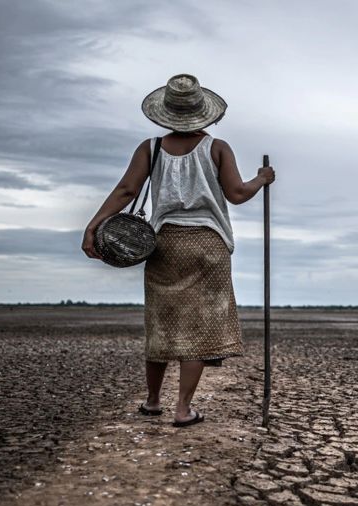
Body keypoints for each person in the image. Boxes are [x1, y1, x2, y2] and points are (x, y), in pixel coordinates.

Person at [81, 73, 275, 427]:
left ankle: (153, 401)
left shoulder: (150, 148)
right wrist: (261, 180)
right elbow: (237, 194)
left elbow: (126, 190)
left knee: (161, 323)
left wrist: (94, 224)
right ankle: (183, 409)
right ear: (204, 113)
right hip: (208, 244)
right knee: (199, 329)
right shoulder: (217, 147)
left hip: (164, 243)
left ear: (165, 113)